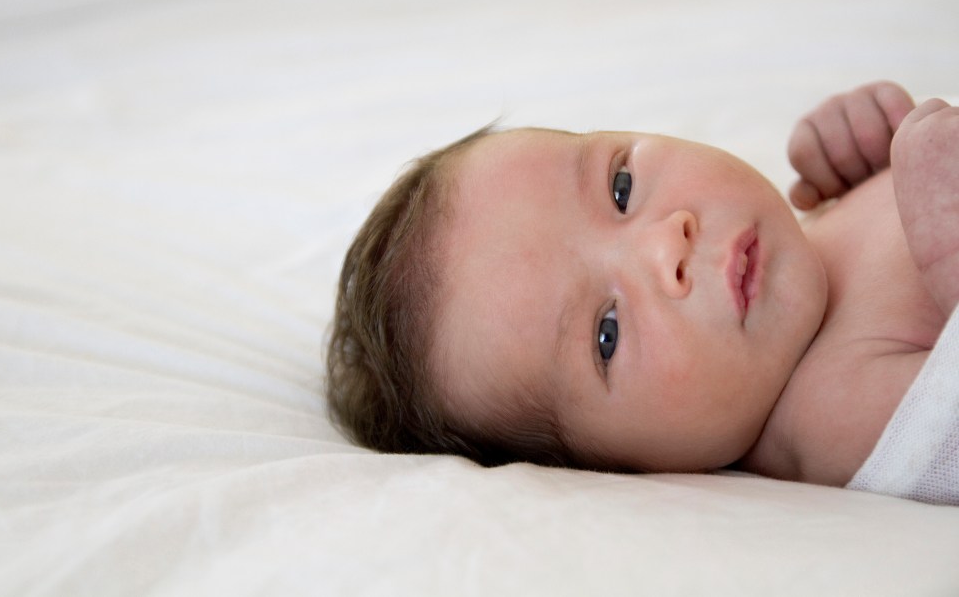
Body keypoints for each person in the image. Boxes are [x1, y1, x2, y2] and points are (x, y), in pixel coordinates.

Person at [325, 81, 959, 489]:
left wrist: (865, 160)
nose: (667, 244)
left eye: (620, 188)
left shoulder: (802, 235)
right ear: (620, 469)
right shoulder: (828, 414)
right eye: (607, 333)